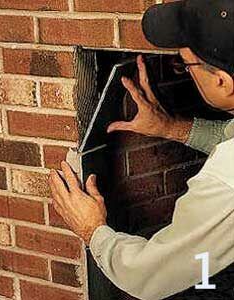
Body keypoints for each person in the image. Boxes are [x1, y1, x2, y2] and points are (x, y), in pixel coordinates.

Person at [49, 0, 234, 299]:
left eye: (184, 65)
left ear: (222, 82)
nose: (184, 72)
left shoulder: (225, 182)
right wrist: (170, 127)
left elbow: (148, 274)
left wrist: (92, 230)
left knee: (203, 284)